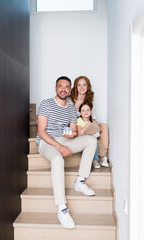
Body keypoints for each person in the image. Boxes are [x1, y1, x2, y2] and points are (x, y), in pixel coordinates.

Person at [36, 76, 97, 229]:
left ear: (70, 90)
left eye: (66, 86)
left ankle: (80, 180)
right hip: (47, 142)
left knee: (91, 140)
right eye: (60, 86)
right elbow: (41, 132)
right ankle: (62, 208)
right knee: (57, 160)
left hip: (64, 139)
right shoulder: (46, 104)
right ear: (56, 88)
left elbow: (73, 128)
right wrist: (59, 146)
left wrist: (72, 134)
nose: (63, 89)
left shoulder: (70, 108)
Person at [70, 76, 109, 167]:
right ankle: (94, 157)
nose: (82, 87)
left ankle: (104, 156)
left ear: (88, 87)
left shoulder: (90, 102)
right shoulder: (71, 100)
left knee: (103, 126)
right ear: (76, 87)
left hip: (87, 123)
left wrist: (92, 126)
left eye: (84, 85)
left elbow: (92, 118)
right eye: (79, 85)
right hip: (76, 126)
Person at [77, 102, 101, 168]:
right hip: (83, 139)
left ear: (91, 112)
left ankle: (96, 160)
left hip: (92, 139)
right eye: (83, 110)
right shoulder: (80, 120)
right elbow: (80, 133)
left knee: (96, 141)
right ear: (80, 113)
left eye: (87, 110)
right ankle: (91, 160)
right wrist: (87, 125)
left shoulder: (93, 121)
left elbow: (96, 131)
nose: (85, 112)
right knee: (92, 140)